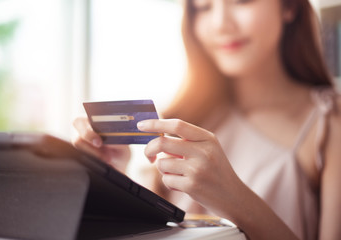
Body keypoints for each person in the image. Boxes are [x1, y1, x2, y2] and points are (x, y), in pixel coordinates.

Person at [72, 0, 341, 239]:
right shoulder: (187, 116)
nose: (221, 24)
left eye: (242, 1)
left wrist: (234, 198)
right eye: (203, 7)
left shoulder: (329, 121)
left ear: (290, 6)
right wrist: (113, 178)